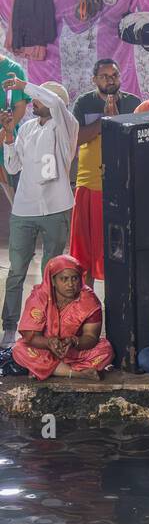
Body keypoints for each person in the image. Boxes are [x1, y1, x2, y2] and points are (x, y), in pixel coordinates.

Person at [1, 78, 74, 339]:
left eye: (39, 98)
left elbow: (54, 101)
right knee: (16, 269)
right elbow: (12, 168)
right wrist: (9, 135)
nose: (34, 101)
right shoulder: (28, 128)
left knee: (52, 272)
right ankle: (9, 327)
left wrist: (23, 84)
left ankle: (47, 323)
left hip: (56, 207)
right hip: (25, 208)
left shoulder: (66, 126)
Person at [69, 61, 141, 283]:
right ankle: (86, 303)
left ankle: (121, 304)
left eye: (114, 75)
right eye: (104, 76)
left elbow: (138, 141)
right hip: (90, 184)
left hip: (124, 184)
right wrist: (104, 121)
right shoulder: (84, 103)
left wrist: (118, 120)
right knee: (86, 252)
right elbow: (76, 139)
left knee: (120, 248)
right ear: (94, 80)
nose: (110, 80)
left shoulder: (133, 102)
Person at [12, 255, 112, 380]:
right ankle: (78, 373)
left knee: (105, 349)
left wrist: (74, 341)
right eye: (64, 279)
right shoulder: (40, 297)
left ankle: (46, 369)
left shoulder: (89, 300)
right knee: (19, 349)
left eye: (74, 278)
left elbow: (91, 336)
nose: (70, 284)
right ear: (53, 281)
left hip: (74, 351)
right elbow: (30, 336)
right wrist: (49, 343)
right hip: (45, 349)